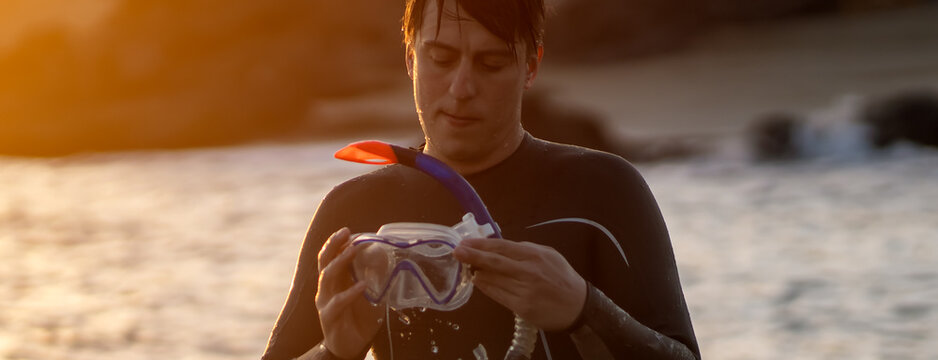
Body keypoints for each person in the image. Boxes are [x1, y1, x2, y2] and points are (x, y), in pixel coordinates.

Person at [262, 0, 700, 358]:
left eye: (491, 63)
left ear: (531, 66)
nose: (461, 88)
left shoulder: (603, 191)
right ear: (411, 58)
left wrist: (583, 309)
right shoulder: (353, 212)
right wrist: (336, 353)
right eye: (440, 59)